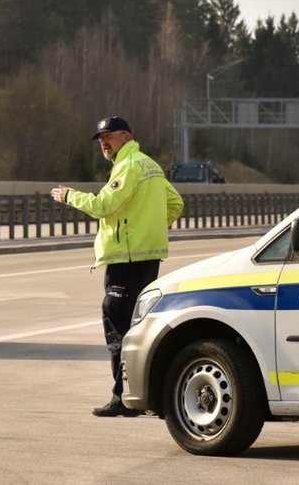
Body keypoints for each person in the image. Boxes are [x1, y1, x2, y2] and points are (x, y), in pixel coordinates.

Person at [51, 116, 184, 417]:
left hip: (126, 260)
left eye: (109, 136)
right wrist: (149, 227)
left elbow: (103, 206)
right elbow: (176, 204)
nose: (103, 143)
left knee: (118, 328)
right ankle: (146, 396)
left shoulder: (129, 166)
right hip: (147, 260)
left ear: (126, 136)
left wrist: (68, 195)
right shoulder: (150, 165)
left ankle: (122, 398)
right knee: (141, 327)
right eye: (100, 138)